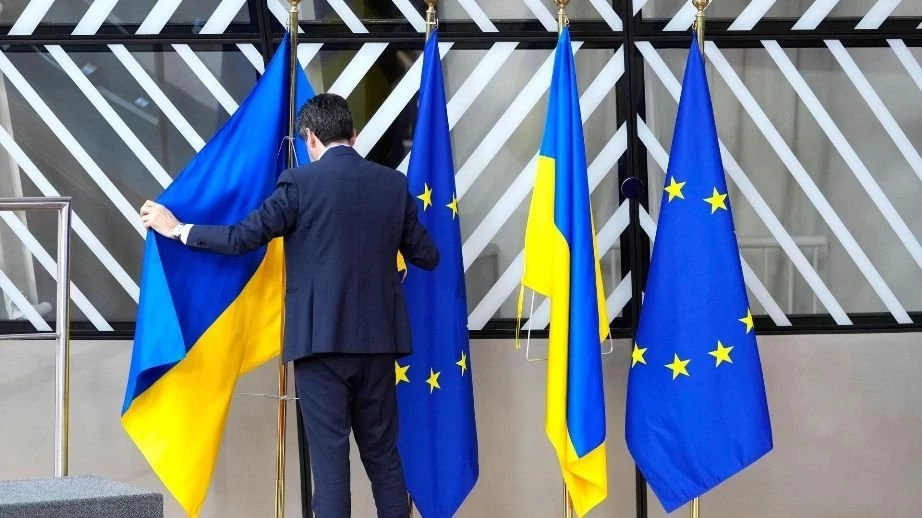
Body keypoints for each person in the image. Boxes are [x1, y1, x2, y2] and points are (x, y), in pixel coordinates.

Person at [140, 93, 439, 518]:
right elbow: (428, 256)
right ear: (353, 135)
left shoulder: (299, 184)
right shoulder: (392, 185)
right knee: (384, 458)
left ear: (310, 138)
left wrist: (177, 230)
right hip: (379, 344)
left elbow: (241, 238)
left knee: (330, 466)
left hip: (319, 345)